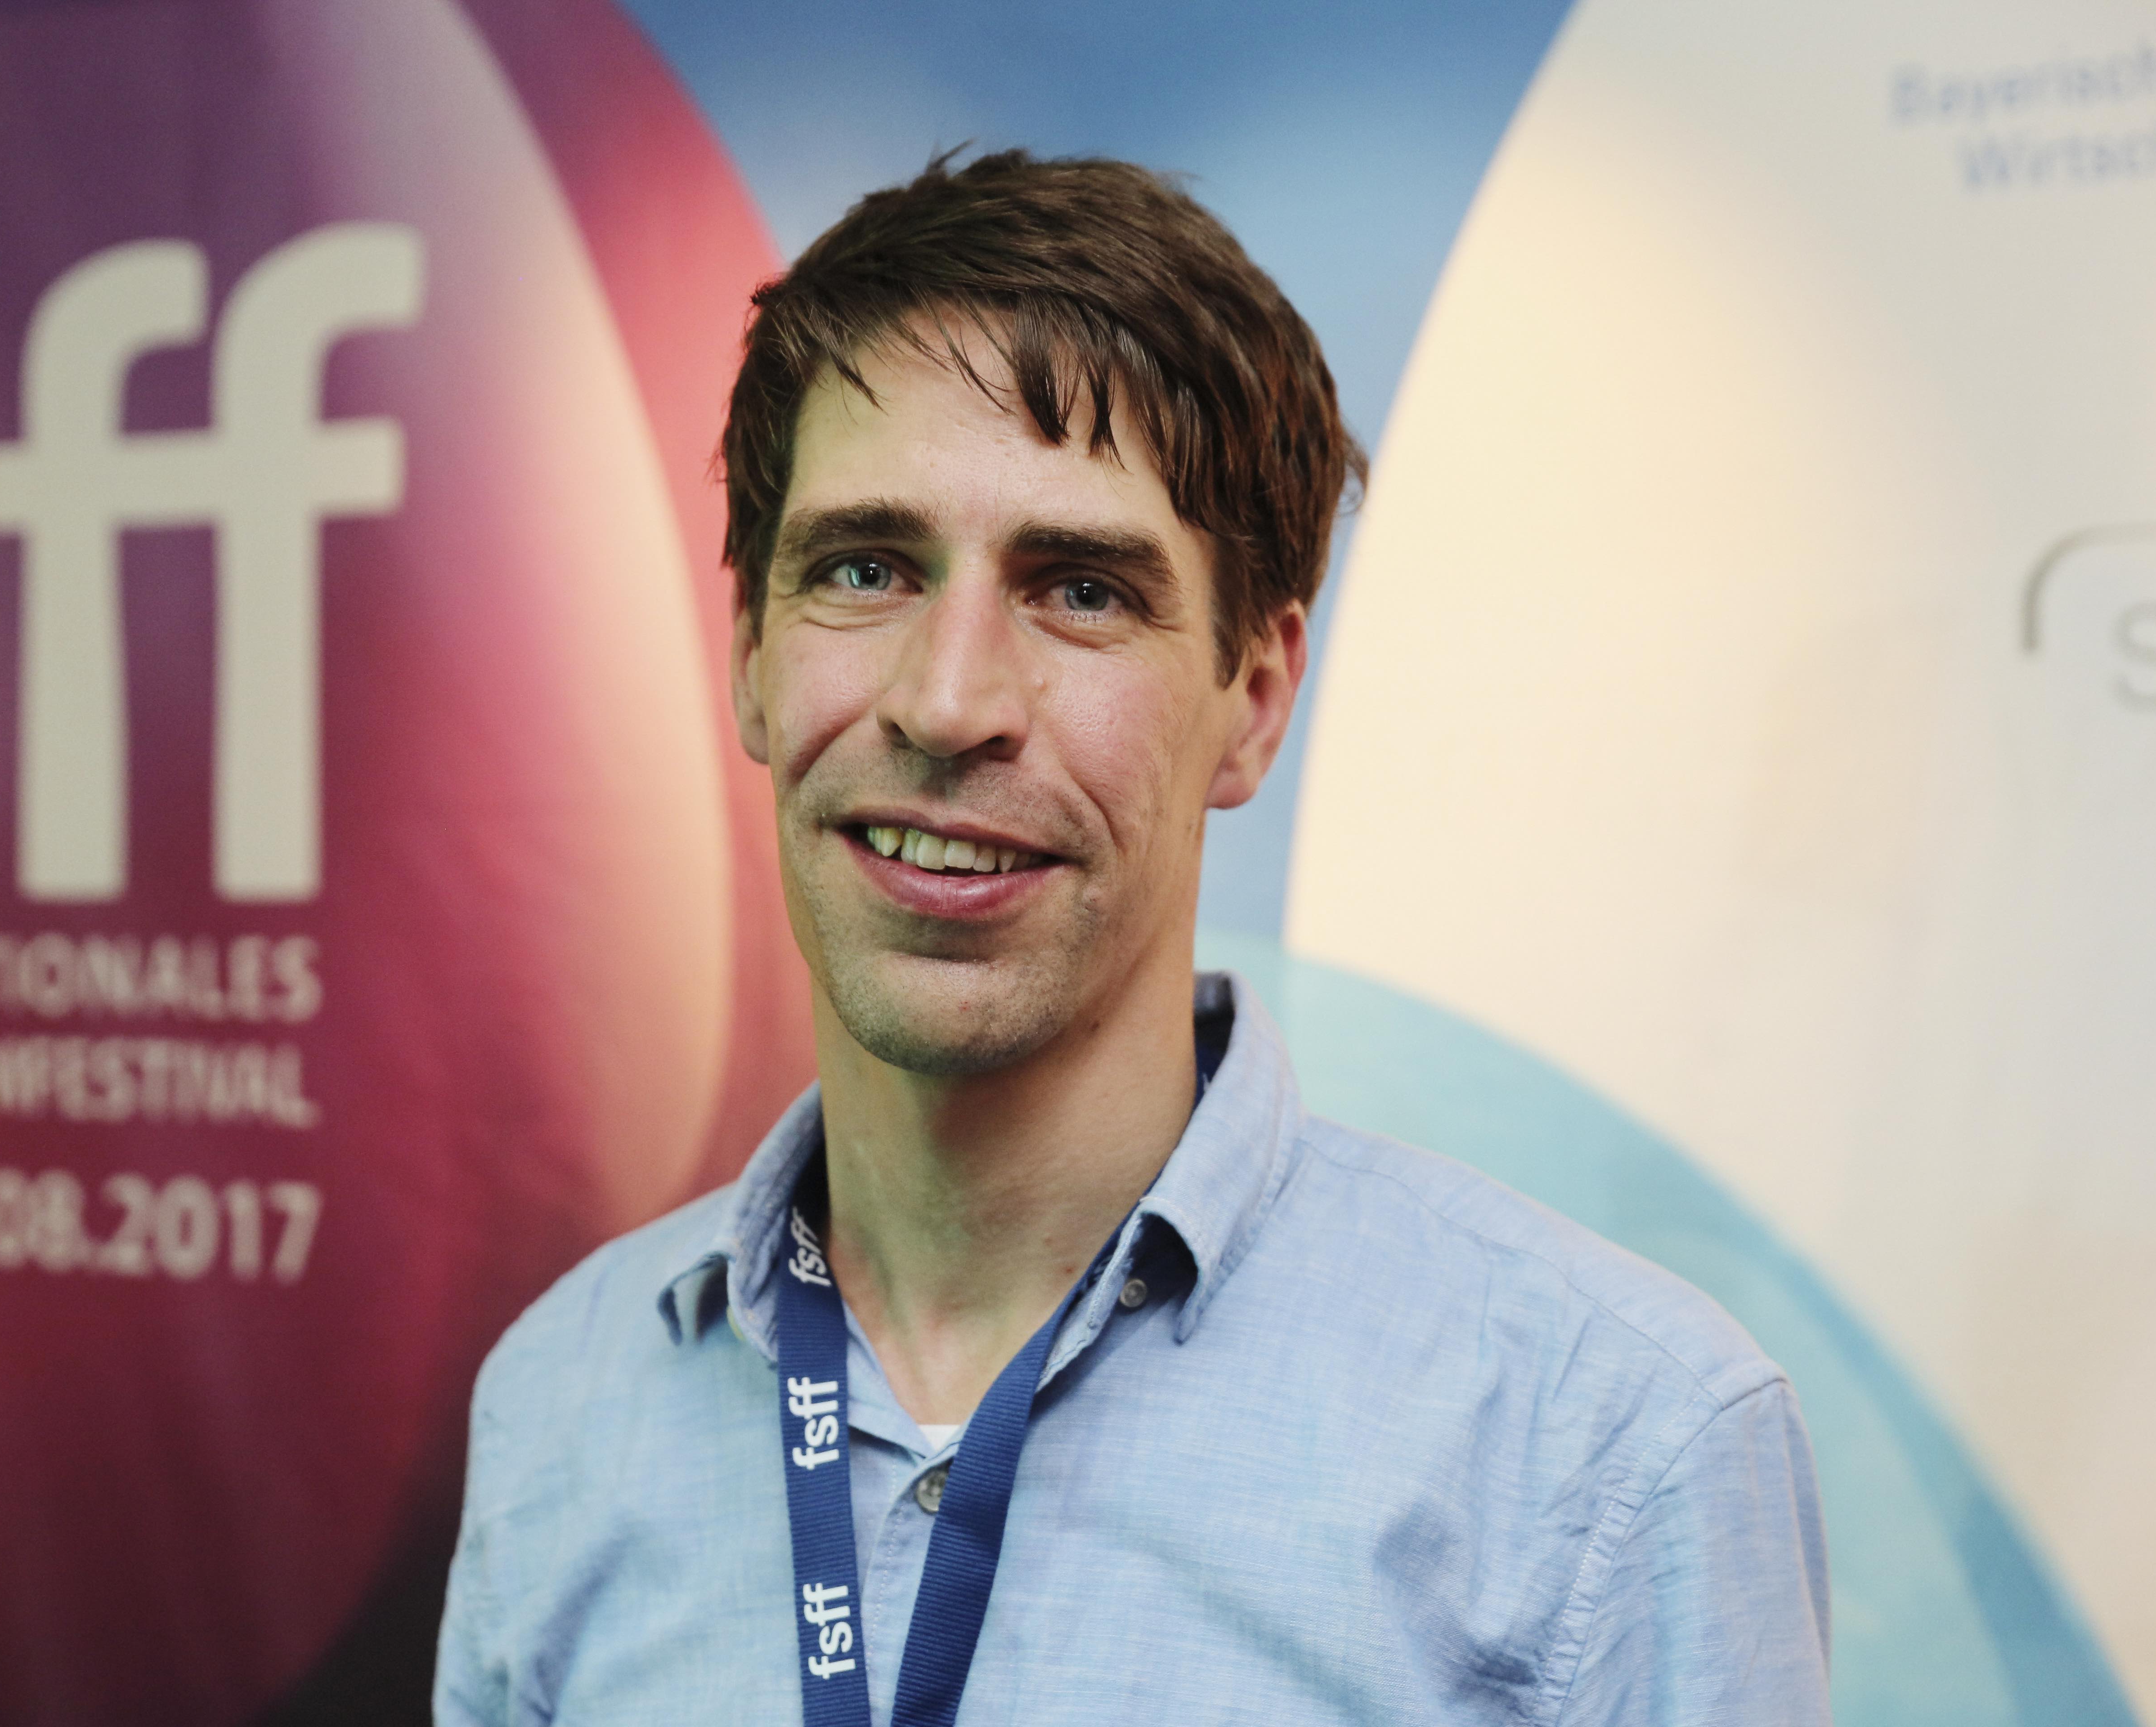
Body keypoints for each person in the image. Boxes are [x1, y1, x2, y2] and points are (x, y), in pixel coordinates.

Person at [434, 150, 1830, 1727]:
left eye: (1083, 591)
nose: (948, 701)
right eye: (866, 570)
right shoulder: (565, 1405)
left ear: (1255, 699)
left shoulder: (1610, 1452)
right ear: (752, 649)